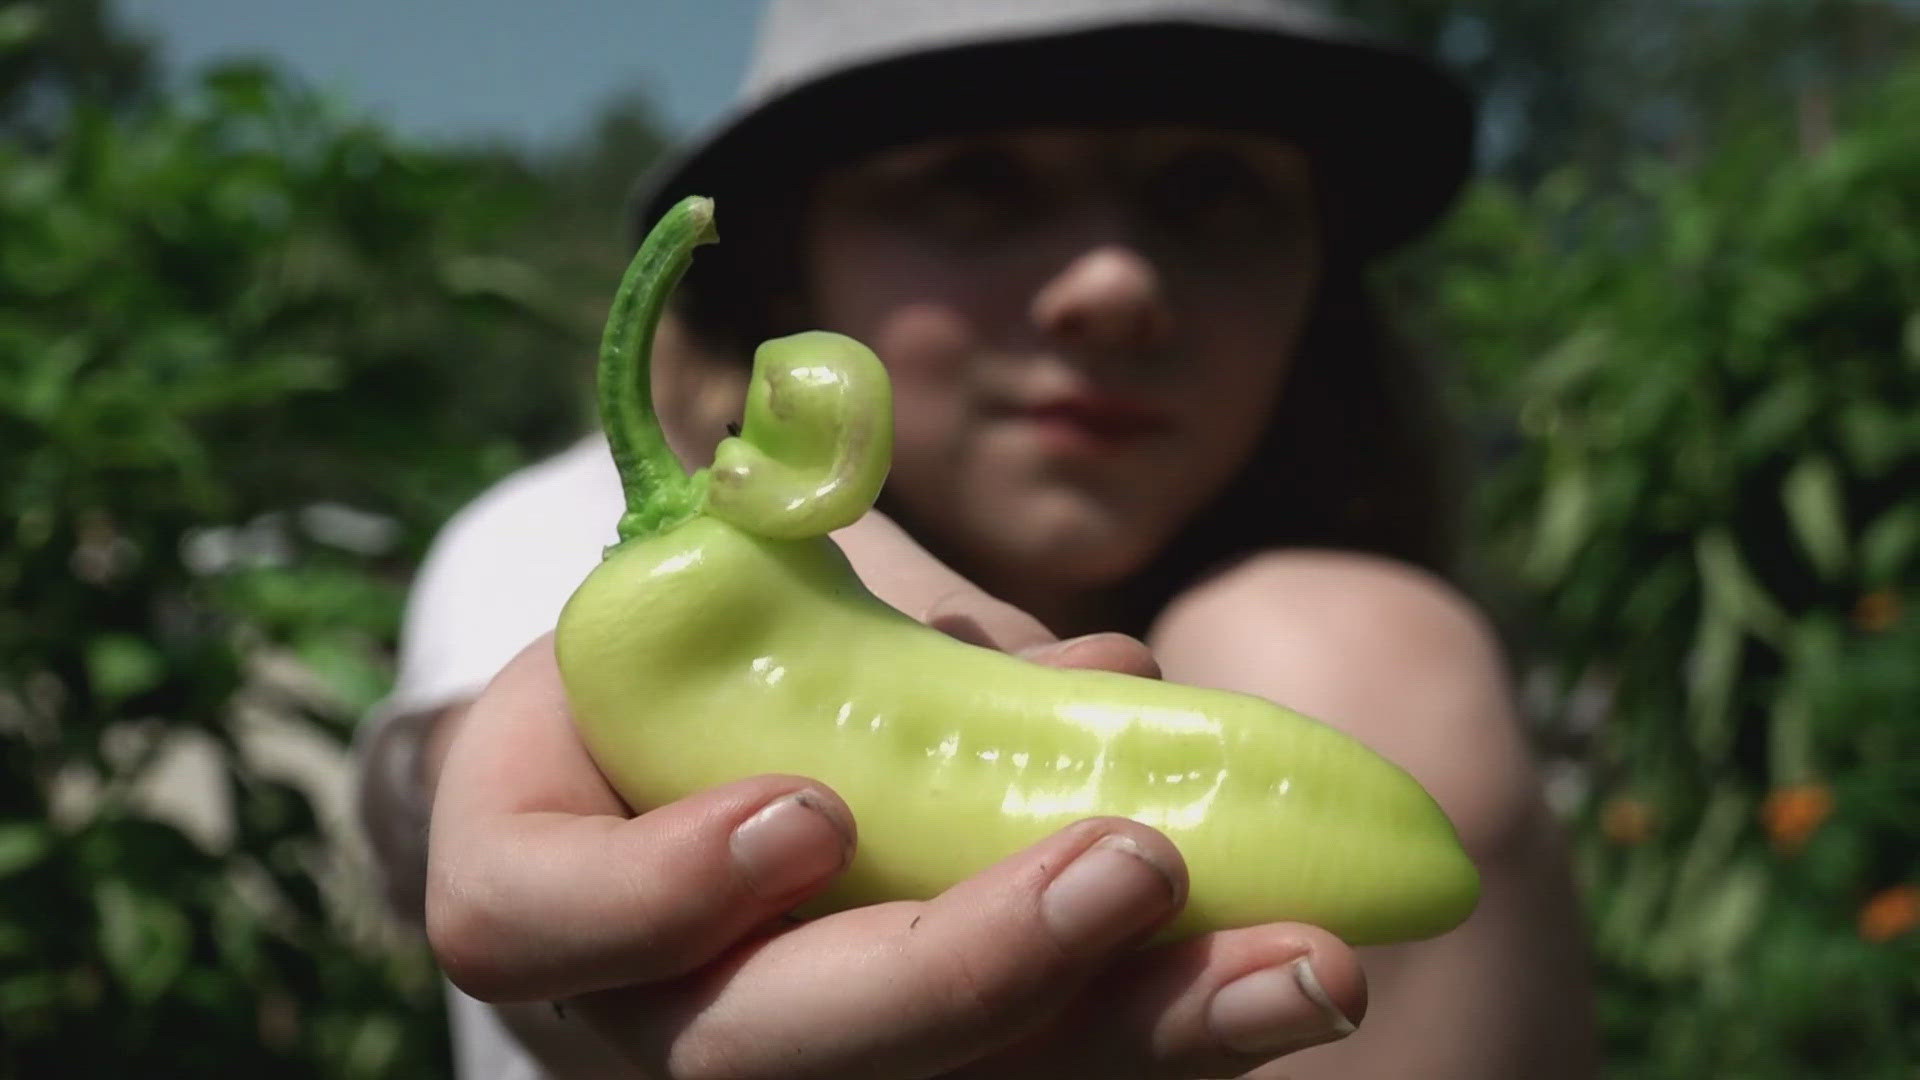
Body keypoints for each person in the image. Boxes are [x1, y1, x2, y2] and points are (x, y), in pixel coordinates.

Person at [355, 1, 1597, 1077]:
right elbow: (474, 742)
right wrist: (518, 785)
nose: (1115, 282)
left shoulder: (1334, 629)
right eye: (977, 180)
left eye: (1210, 190)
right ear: (791, 261)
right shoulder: (593, 529)